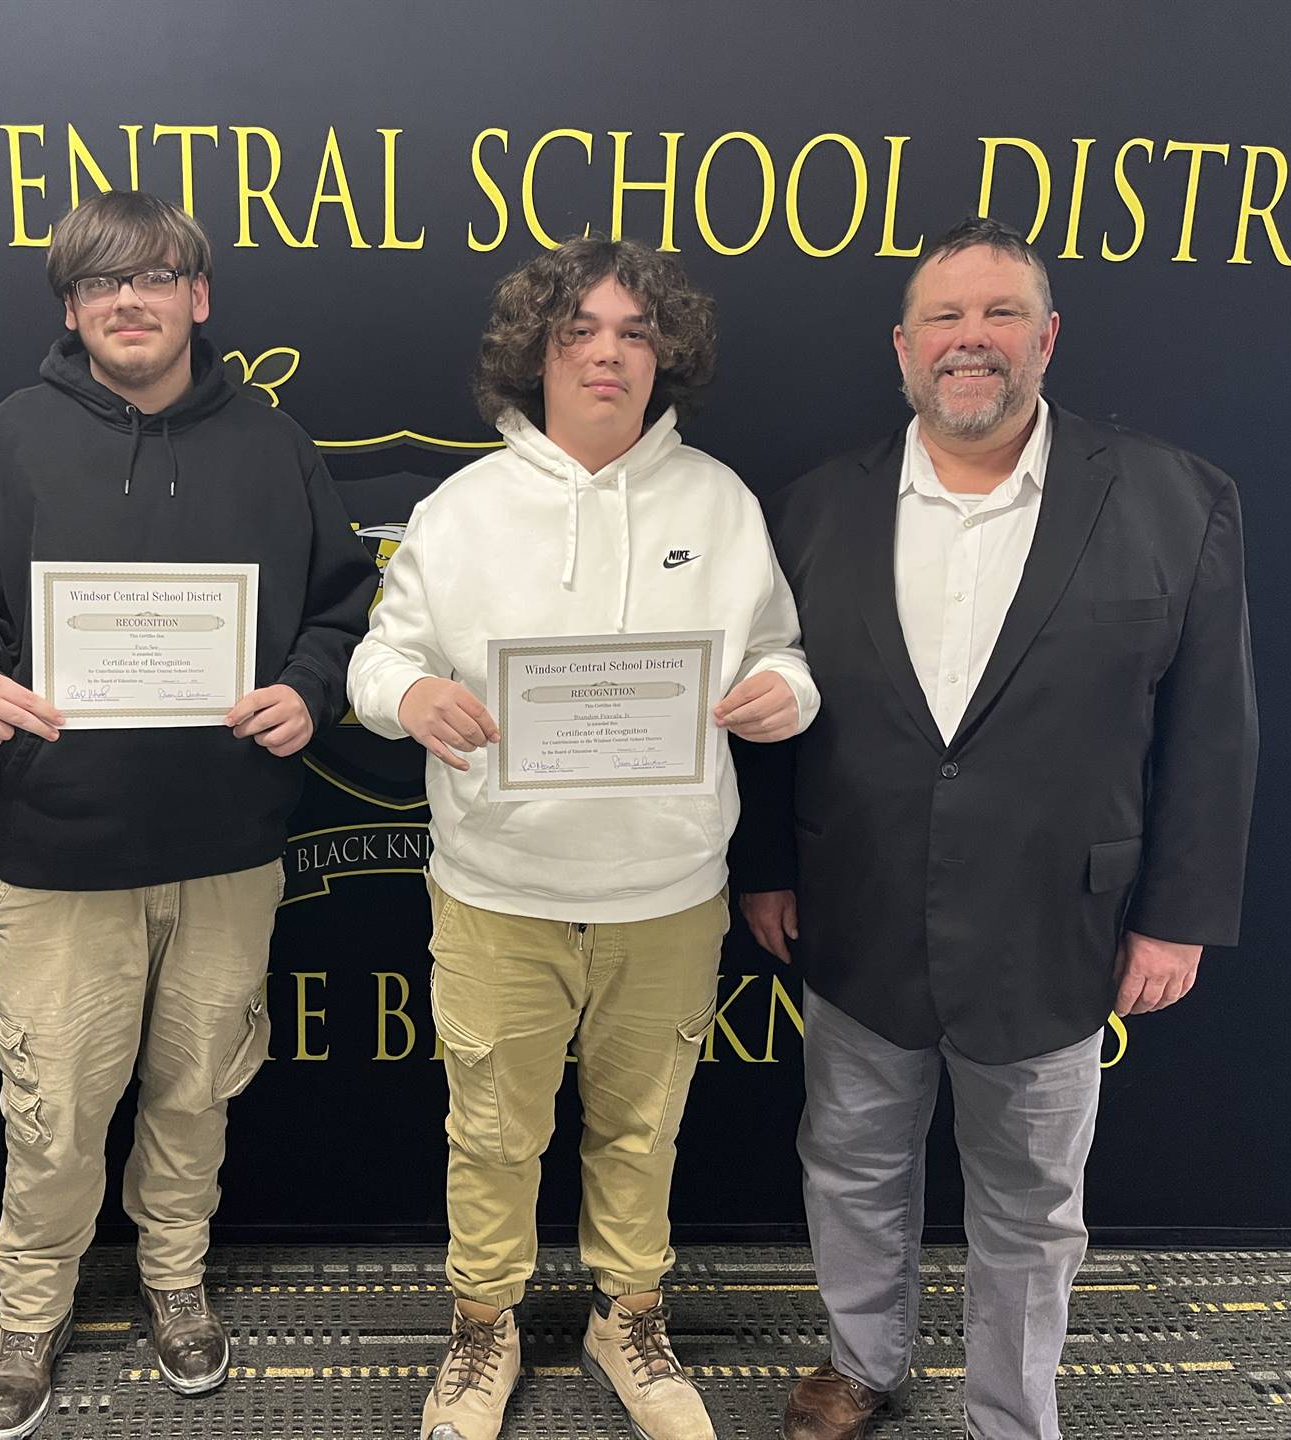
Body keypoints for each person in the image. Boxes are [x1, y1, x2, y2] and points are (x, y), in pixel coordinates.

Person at [730, 217, 1258, 1440]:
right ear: (904, 349)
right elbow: (765, 702)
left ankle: (1011, 1414)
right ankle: (862, 1364)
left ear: (1048, 337)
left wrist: (1176, 916)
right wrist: (763, 870)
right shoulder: (812, 508)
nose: (973, 340)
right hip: (855, 914)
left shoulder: (1178, 500)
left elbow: (1213, 732)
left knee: (1030, 1197)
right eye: (946, 319)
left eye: (1001, 314)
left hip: (1056, 925)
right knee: (853, 1163)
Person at [0, 190, 377, 1440]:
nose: (130, 301)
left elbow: (341, 605)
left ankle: (176, 1282)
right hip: (62, 853)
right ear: (72, 307)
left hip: (226, 849)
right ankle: (29, 1308)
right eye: (102, 284)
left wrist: (309, 690)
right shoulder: (8, 443)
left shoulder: (272, 445)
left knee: (196, 1094)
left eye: (155, 277)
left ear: (198, 296)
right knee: (52, 1106)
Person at [348, 236, 819, 1440]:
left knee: (642, 1124)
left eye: (633, 333)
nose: (607, 354)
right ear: (538, 354)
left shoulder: (719, 503)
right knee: (494, 1131)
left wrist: (785, 694)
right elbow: (378, 656)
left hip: (667, 891)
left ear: (665, 356)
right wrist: (407, 698)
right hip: (500, 887)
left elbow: (782, 653)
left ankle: (629, 1315)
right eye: (580, 333)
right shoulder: (462, 509)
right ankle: (482, 1327)